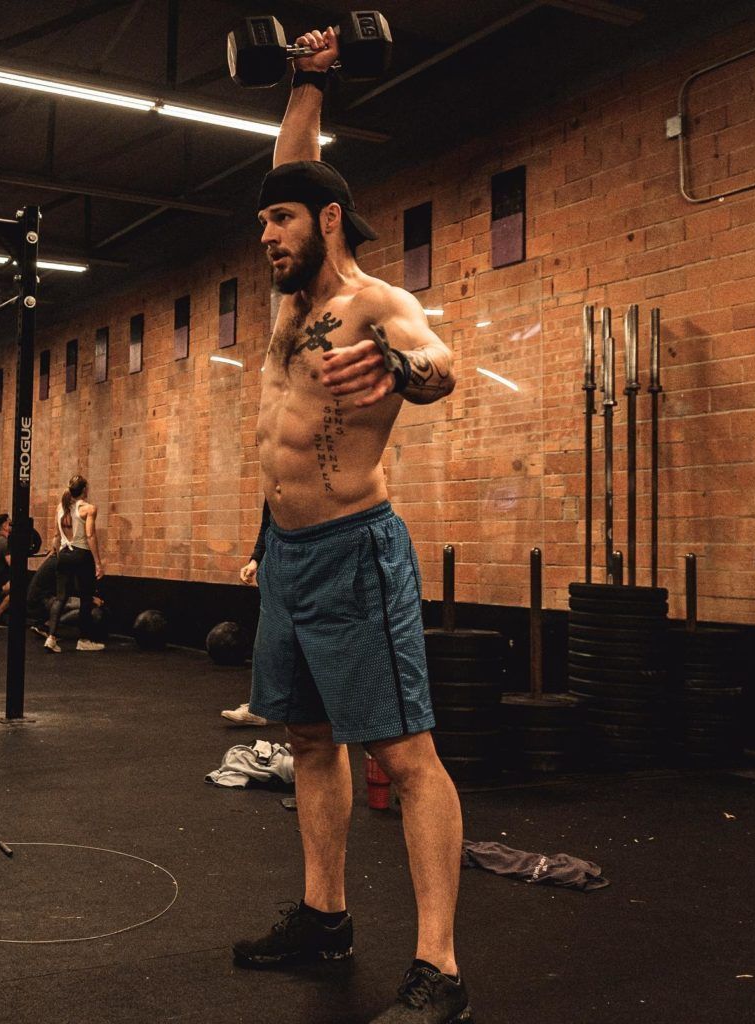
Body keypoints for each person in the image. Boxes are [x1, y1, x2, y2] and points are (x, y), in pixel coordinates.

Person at [231, 27, 470, 1024]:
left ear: (329, 222)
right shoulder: (290, 310)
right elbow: (293, 161)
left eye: (279, 221)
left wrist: (413, 375)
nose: (266, 235)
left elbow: (438, 360)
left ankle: (441, 969)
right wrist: (307, 81)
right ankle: (325, 916)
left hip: (353, 554)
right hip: (284, 555)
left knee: (403, 755)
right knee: (309, 736)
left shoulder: (379, 303)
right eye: (260, 222)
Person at [221, 501, 270, 726]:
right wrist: (255, 560)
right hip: (278, 568)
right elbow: (268, 526)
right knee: (268, 642)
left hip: (313, 569)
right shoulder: (275, 481)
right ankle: (259, 707)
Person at [44, 474, 105, 653]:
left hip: (64, 554)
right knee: (86, 598)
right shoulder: (88, 509)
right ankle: (83, 639)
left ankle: (51, 638)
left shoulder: (60, 508)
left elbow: (56, 536)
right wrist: (98, 563)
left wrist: (56, 554)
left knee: (60, 597)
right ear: (85, 490)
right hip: (81, 554)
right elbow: (90, 536)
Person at [27, 550, 108, 640]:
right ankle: (49, 624)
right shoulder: (67, 562)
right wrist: (92, 599)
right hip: (42, 601)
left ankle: (49, 625)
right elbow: (72, 589)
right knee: (91, 609)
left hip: (37, 599)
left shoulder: (59, 557)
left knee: (79, 603)